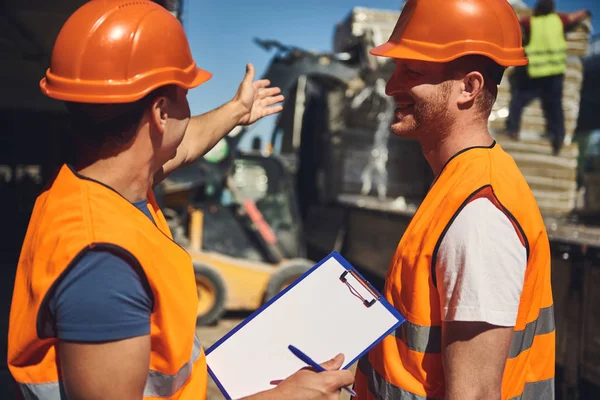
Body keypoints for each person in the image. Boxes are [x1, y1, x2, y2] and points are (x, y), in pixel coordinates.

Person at [7, 1, 353, 399]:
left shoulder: (91, 187)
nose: (191, 107)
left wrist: (236, 111)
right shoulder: (103, 263)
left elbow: (183, 146)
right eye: (186, 94)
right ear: (159, 112)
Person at [353, 0, 554, 399]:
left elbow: (475, 393)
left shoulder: (479, 215)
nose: (392, 85)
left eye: (411, 71)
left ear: (469, 88)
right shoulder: (461, 184)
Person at [505, 0, 591, 155]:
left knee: (519, 99)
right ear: (552, 9)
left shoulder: (532, 22)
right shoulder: (558, 20)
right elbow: (573, 18)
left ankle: (512, 129)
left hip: (535, 72)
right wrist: (584, 12)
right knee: (555, 107)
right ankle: (558, 137)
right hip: (554, 72)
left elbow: (516, 23)